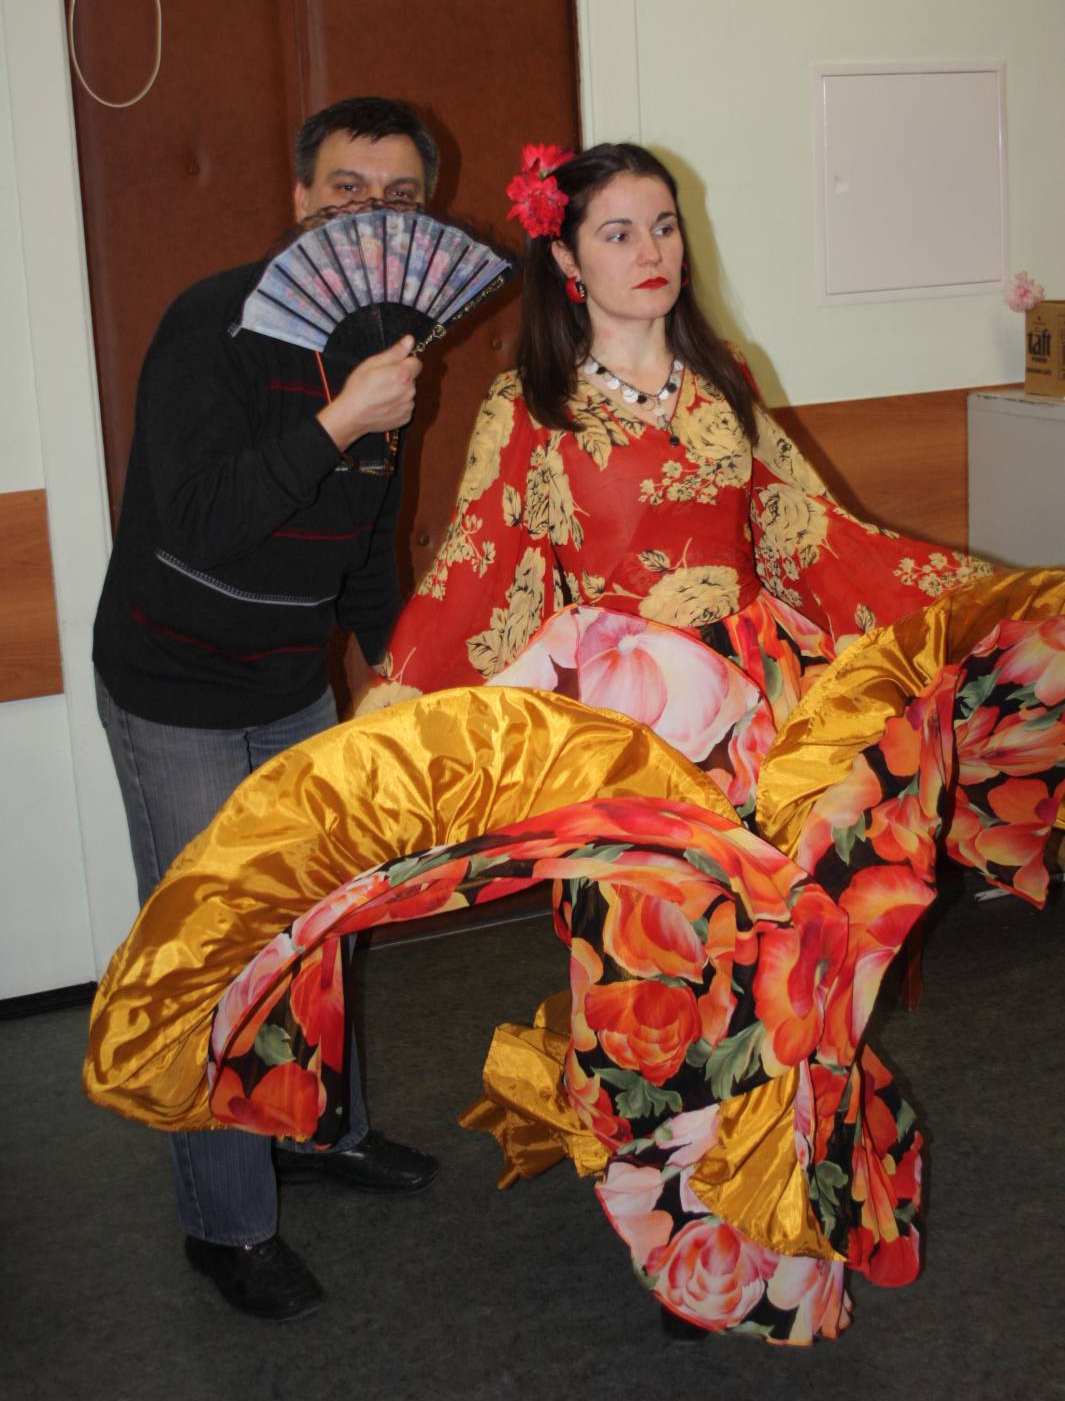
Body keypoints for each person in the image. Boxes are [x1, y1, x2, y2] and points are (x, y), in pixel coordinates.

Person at [86, 142, 1065, 1345]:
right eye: (618, 231)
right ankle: (686, 1255)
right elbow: (472, 576)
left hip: (750, 735)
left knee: (764, 989)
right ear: (565, 257)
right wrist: (391, 725)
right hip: (619, 751)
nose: (651, 252)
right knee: (645, 994)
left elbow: (814, 535)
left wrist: (975, 608)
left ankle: (771, 1241)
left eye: (665, 226)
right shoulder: (530, 408)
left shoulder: (726, 381)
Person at [91, 95, 443, 1322]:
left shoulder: (395, 343)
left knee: (318, 928)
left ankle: (321, 1132)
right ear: (300, 198)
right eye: (347, 188)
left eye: (399, 197)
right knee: (215, 953)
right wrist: (341, 418)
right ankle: (227, 1226)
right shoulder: (215, 324)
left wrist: (398, 670)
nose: (371, 214)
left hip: (291, 680)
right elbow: (199, 520)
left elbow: (365, 544)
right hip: (175, 687)